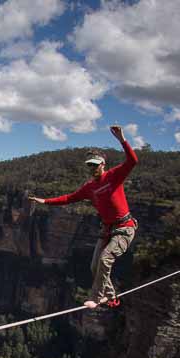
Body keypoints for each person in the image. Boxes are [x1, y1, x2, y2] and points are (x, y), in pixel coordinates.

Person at [29, 125, 138, 309]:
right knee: (94, 267)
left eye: (95, 165)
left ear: (103, 164)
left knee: (105, 259)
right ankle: (111, 296)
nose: (92, 168)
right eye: (90, 165)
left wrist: (122, 139)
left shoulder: (114, 176)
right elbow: (68, 198)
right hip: (107, 230)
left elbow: (133, 161)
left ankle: (96, 298)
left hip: (124, 228)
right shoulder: (89, 188)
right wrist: (45, 201)